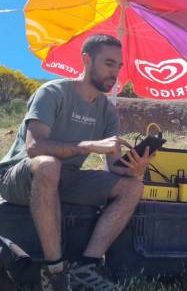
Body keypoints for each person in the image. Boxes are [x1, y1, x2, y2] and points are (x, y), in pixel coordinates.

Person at [0, 34, 153, 291]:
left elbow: (114, 165)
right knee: (49, 165)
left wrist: (133, 169)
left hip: (66, 177)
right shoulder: (52, 92)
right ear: (86, 59)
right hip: (18, 176)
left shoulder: (107, 110)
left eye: (118, 66)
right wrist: (88, 146)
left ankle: (87, 266)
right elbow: (34, 146)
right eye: (108, 63)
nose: (114, 72)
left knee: (132, 188)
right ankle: (55, 272)